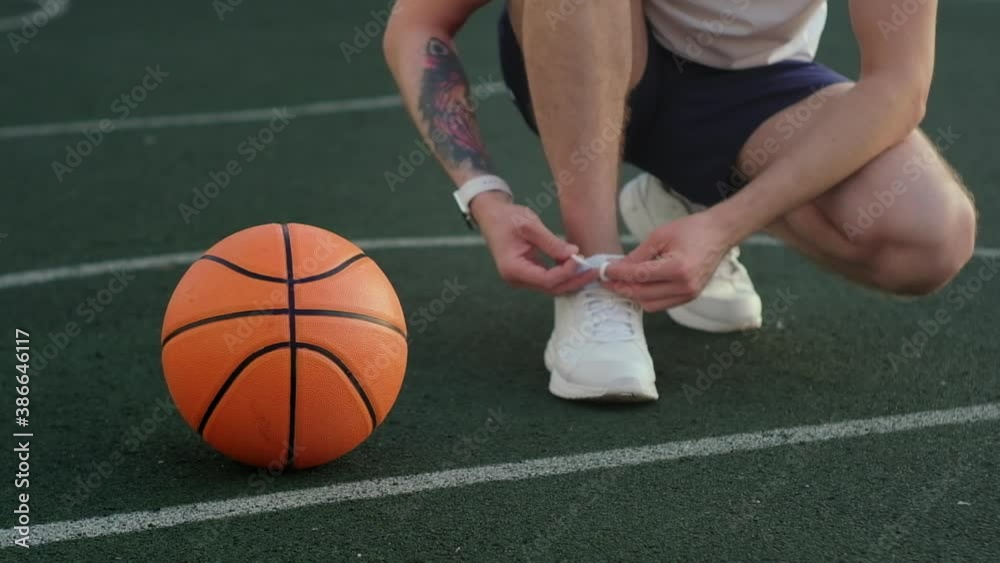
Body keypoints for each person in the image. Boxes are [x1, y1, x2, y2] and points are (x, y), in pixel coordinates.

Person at [383, 0, 976, 402]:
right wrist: (484, 195)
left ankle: (684, 201)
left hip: (756, 90)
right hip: (585, 49)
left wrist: (724, 224)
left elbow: (897, 86)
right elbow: (418, 22)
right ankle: (592, 272)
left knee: (928, 237)